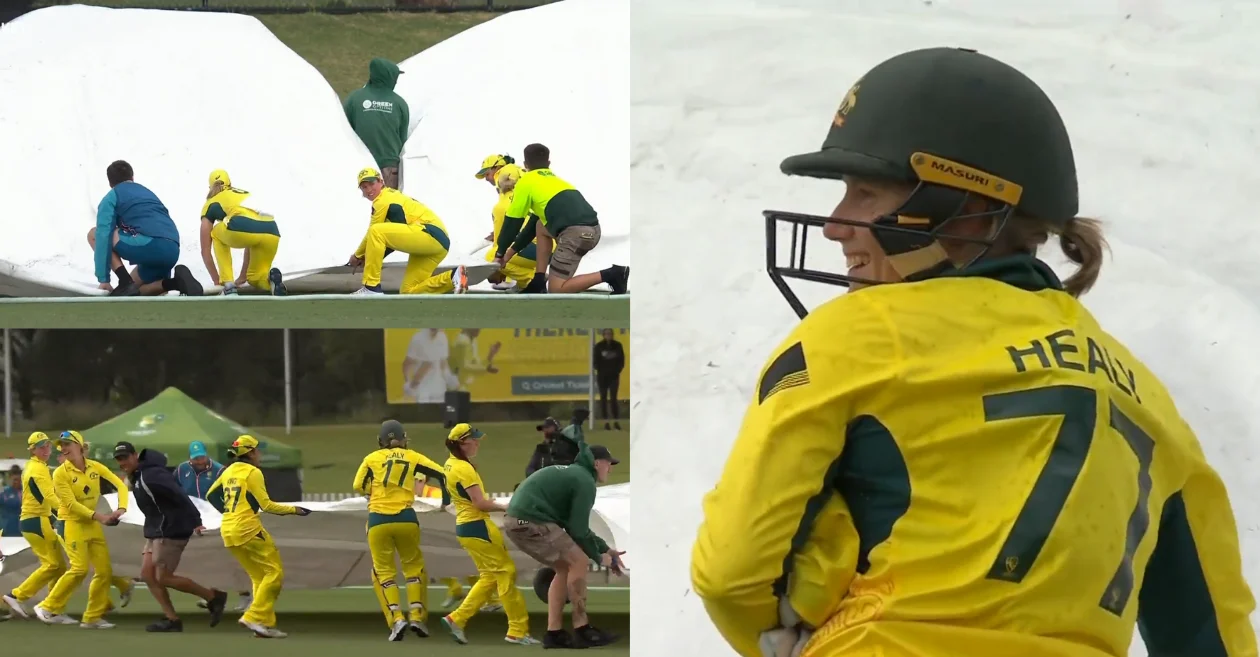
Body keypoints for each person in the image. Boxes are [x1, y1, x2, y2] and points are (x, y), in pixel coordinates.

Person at [690, 46, 1259, 657]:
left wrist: (788, 636)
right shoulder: (1147, 394)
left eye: (866, 193)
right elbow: (1215, 638)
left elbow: (731, 573)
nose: (834, 223)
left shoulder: (854, 336)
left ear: (970, 207)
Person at [503, 426, 624, 649]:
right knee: (579, 560)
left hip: (518, 520)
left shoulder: (576, 475)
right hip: (529, 520)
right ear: (597, 463)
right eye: (609, 463)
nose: (611, 468)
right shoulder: (585, 482)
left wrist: (606, 549)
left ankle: (554, 633)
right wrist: (600, 558)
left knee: (565, 566)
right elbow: (578, 531)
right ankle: (582, 629)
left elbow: (574, 527)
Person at [438, 423, 539, 646]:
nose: (478, 442)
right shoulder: (464, 468)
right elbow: (480, 503)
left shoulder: (451, 464)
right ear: (462, 443)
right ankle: (517, 630)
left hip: (466, 527)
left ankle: (457, 618)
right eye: (474, 439)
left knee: (490, 576)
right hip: (477, 526)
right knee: (505, 572)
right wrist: (509, 507)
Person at [112, 441, 228, 632]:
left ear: (135, 456)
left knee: (163, 577)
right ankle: (172, 619)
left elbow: (180, 495)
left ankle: (213, 597)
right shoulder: (138, 475)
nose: (122, 462)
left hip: (171, 529)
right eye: (118, 459)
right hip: (156, 529)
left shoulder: (153, 474)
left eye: (125, 457)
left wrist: (196, 520)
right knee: (147, 575)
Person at [352, 419, 449, 641]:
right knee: (414, 567)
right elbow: (442, 474)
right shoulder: (412, 456)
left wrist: (372, 492)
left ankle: (396, 619)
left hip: (378, 520)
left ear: (380, 441)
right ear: (403, 439)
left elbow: (357, 484)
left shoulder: (371, 458)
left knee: (384, 572)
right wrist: (445, 501)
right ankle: (416, 615)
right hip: (406, 518)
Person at [207, 435, 311, 638]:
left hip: (228, 531)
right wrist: (295, 510)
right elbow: (267, 505)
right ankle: (253, 616)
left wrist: (229, 511)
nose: (260, 455)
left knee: (259, 577)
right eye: (258, 451)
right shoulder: (253, 472)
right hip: (248, 529)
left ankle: (264, 624)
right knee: (275, 573)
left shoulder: (229, 471)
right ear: (251, 452)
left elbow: (211, 493)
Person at [495, 143, 629, 295]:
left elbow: (513, 222)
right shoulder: (558, 181)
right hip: (592, 230)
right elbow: (532, 227)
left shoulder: (526, 181)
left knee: (556, 289)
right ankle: (538, 280)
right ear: (549, 164)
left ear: (525, 165)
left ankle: (613, 274)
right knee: (540, 225)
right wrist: (508, 254)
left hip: (575, 234)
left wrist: (499, 254)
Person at [35, 430, 128, 628]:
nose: (64, 448)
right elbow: (70, 504)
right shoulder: (60, 473)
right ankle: (46, 606)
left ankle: (92, 618)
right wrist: (101, 517)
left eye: (68, 444)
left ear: (80, 446)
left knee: (104, 571)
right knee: (79, 569)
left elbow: (120, 485)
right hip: (72, 524)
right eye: (62, 445)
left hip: (92, 525)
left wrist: (121, 508)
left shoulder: (95, 467)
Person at [89, 160, 202, 297]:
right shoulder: (148, 193)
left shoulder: (112, 196)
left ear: (110, 183)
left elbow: (103, 236)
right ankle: (176, 283)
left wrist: (104, 279)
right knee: (135, 291)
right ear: (132, 177)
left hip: (150, 245)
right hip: (172, 247)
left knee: (94, 234)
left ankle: (125, 281)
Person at [347, 168, 468, 296]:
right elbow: (391, 242)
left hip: (429, 232)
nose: (369, 189)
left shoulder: (382, 200)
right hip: (439, 243)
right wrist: (368, 257)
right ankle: (453, 277)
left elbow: (373, 231)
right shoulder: (392, 197)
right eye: (364, 187)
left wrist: (357, 256)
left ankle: (371, 287)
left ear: (381, 182)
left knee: (376, 231)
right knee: (408, 292)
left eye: (371, 184)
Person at [177, 441, 250, 613]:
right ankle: (213, 593)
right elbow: (176, 490)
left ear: (206, 455)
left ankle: (245, 594)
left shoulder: (219, 470)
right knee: (206, 559)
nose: (199, 461)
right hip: (195, 521)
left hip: (218, 519)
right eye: (195, 458)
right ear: (189, 458)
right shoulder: (181, 470)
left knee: (229, 558)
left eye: (201, 457)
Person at [2, 433, 65, 619]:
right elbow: (49, 496)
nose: (46, 450)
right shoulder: (38, 469)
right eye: (41, 447)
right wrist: (68, 512)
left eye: (48, 446)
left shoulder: (33, 466)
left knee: (59, 566)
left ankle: (52, 608)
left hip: (36, 520)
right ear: (32, 450)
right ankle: (17, 595)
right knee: (53, 564)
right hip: (36, 521)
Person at [199, 169, 287, 296]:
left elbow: (205, 250)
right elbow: (250, 237)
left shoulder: (210, 203)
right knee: (255, 278)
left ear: (210, 187)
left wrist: (216, 280)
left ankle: (228, 284)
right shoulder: (244, 193)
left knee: (215, 233)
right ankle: (272, 283)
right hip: (271, 229)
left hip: (243, 226)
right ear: (230, 182)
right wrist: (242, 277)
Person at [343, 58, 410, 190]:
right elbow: (403, 139)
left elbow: (345, 130)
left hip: (359, 163)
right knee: (387, 205)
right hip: (389, 167)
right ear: (389, 76)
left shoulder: (354, 99)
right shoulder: (399, 103)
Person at [476, 155, 537, 292]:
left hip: (534, 245)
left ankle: (534, 279)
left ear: (497, 168)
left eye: (487, 174)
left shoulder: (504, 194)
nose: (487, 179)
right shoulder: (524, 185)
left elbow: (500, 242)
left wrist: (497, 269)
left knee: (493, 255)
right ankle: (523, 283)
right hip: (549, 243)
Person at [402, 328, 457, 403]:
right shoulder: (417, 338)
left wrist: (449, 377)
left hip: (439, 388)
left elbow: (443, 361)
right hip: (422, 390)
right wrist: (408, 384)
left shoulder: (443, 337)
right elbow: (407, 363)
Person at [593, 329, 626, 430]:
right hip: (602, 376)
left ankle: (616, 421)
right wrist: (601, 370)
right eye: (607, 334)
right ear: (603, 335)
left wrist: (617, 370)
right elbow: (595, 361)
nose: (609, 336)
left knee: (613, 398)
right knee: (603, 398)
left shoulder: (617, 345)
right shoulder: (599, 346)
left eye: (610, 334)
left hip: (614, 376)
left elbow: (621, 360)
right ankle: (606, 422)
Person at [0, 466, 21, 539]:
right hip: (6, 531)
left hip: (22, 531)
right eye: (14, 480)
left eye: (19, 480)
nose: (16, 482)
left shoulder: (26, 492)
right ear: (9, 478)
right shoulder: (3, 492)